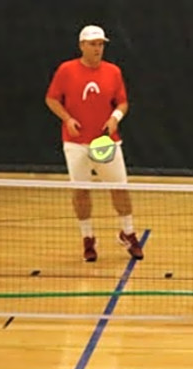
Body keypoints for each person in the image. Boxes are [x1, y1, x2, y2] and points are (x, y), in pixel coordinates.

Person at [45, 25, 143, 262]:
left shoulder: (113, 72)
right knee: (81, 192)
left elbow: (122, 103)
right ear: (82, 46)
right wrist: (67, 119)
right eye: (93, 44)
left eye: (101, 44)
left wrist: (114, 118)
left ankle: (128, 233)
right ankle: (88, 239)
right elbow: (51, 99)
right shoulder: (66, 70)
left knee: (119, 189)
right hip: (76, 143)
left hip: (105, 143)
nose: (98, 48)